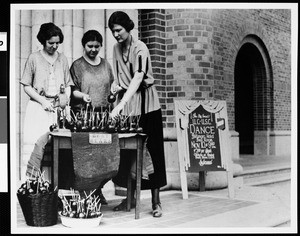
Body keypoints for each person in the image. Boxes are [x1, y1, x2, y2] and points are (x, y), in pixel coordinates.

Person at [108, 11, 167, 217]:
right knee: (127, 152)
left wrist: (121, 103)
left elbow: (138, 77)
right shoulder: (115, 49)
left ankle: (156, 202)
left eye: (119, 30)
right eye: (113, 31)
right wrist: (116, 89)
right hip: (128, 105)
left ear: (128, 27)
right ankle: (130, 198)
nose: (116, 35)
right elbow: (120, 78)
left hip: (147, 105)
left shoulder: (140, 47)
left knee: (153, 152)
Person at [20, 22, 74, 183]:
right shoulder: (34, 58)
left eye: (57, 43)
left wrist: (64, 100)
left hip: (57, 111)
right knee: (36, 147)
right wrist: (42, 101)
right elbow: (26, 86)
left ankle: (51, 188)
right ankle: (33, 187)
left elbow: (68, 84)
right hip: (38, 109)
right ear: (43, 41)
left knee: (55, 149)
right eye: (51, 43)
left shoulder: (62, 58)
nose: (55, 46)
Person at [69, 30, 115, 205]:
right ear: (84, 45)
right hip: (84, 117)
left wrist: (114, 91)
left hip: (103, 117)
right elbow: (72, 91)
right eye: (90, 46)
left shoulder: (106, 65)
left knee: (104, 156)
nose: (94, 49)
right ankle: (86, 191)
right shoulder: (77, 66)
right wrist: (83, 96)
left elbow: (111, 85)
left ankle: (98, 189)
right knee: (86, 156)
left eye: (97, 46)